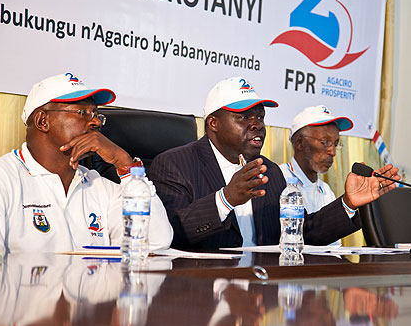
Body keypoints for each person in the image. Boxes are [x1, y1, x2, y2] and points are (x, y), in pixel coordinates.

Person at [149, 76, 399, 251]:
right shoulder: (174, 164)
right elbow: (170, 234)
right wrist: (225, 199)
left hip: (263, 294)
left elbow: (302, 234)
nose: (256, 124)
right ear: (213, 123)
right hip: (205, 298)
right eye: (244, 117)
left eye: (259, 117)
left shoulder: (269, 171)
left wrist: (348, 203)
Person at [0, 72, 173, 253]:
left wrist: (124, 164)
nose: (95, 122)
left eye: (96, 113)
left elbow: (154, 242)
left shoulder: (97, 185)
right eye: (82, 112)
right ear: (42, 121)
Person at [279, 105, 353, 246]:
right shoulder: (278, 180)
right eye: (325, 142)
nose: (332, 151)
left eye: (335, 143)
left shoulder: (326, 191)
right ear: (300, 142)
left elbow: (334, 247)